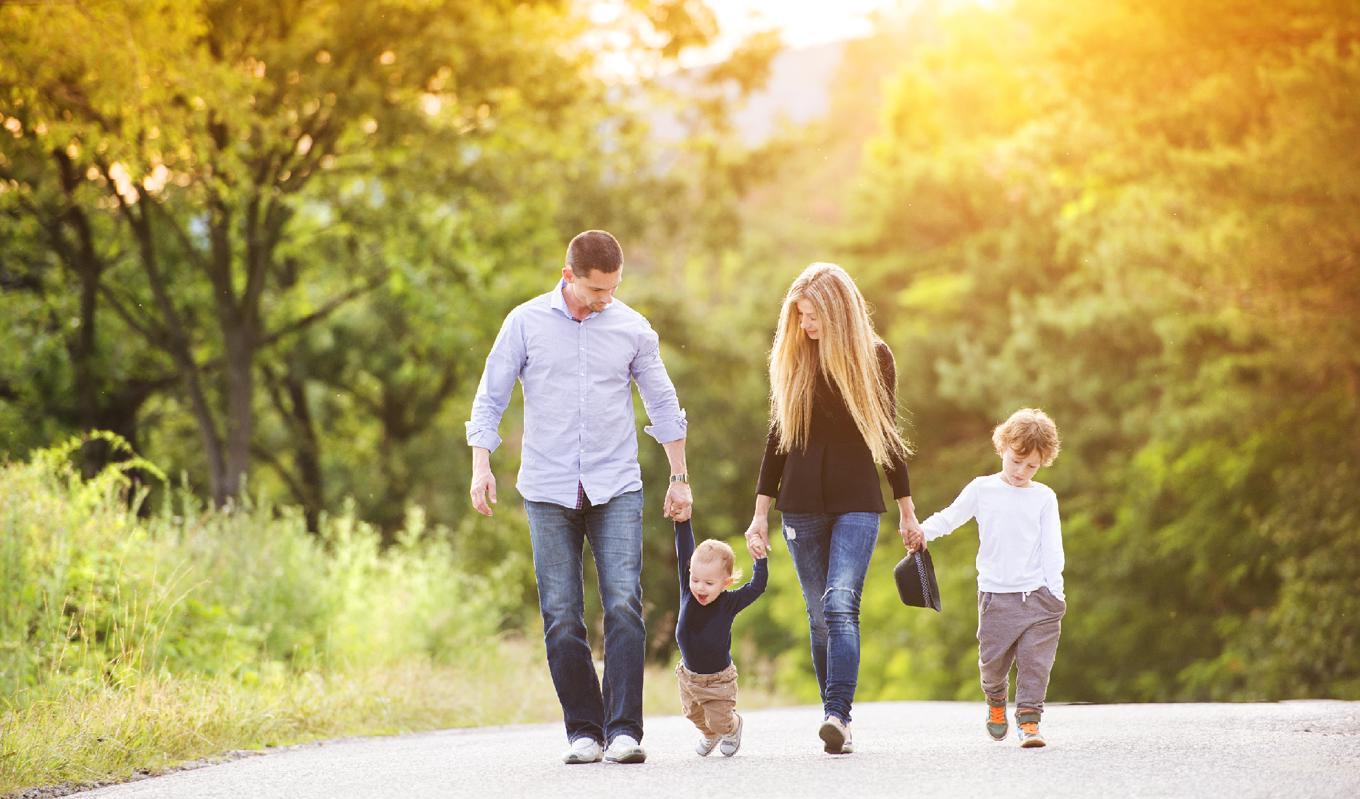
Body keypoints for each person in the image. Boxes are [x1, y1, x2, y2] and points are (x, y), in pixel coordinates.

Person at [466, 230, 693, 765]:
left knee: (623, 605)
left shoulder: (632, 328)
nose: (605, 299)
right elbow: (490, 395)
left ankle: (624, 731)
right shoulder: (524, 323)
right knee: (563, 614)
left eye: (613, 288)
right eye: (596, 290)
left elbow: (663, 400)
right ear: (569, 276)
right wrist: (481, 466)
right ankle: (584, 731)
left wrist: (679, 475)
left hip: (615, 483)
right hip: (547, 488)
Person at [744, 262, 923, 755]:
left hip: (857, 503)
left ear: (838, 310)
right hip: (799, 506)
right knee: (820, 617)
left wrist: (908, 511)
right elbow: (776, 443)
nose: (806, 325)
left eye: (813, 315)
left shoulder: (876, 359)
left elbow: (889, 441)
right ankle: (833, 714)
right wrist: (759, 515)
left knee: (840, 603)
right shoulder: (794, 360)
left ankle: (837, 715)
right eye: (800, 316)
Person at [909, 408, 1066, 748]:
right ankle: (996, 703)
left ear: (1043, 463)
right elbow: (950, 518)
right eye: (1016, 461)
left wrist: (1057, 593)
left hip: (1039, 598)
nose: (1022, 472)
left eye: (1032, 467)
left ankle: (1029, 722)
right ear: (1003, 448)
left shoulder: (1044, 498)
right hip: (996, 597)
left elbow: (1053, 548)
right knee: (992, 666)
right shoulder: (982, 489)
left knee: (1035, 665)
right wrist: (923, 532)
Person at [673, 519, 767, 758]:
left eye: (709, 583)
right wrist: (682, 522)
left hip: (718, 681)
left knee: (719, 721)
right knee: (692, 714)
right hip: (688, 676)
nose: (700, 588)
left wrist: (760, 560)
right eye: (695, 580)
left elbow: (757, 587)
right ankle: (710, 735)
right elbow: (684, 546)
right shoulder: (688, 590)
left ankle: (732, 726)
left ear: (725, 583)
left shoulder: (729, 602)